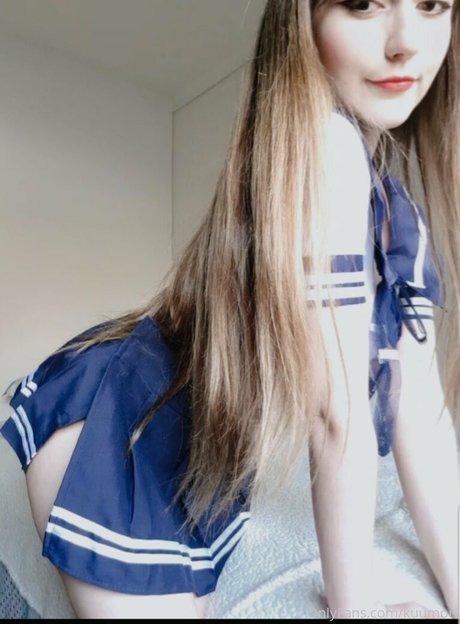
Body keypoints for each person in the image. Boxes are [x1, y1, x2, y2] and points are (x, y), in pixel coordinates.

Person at [1, 0, 459, 618]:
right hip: (122, 431)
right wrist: (355, 610)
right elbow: (336, 416)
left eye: (433, 5)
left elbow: (422, 423)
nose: (406, 41)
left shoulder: (394, 209)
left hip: (189, 454)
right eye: (362, 3)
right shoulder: (327, 151)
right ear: (300, 21)